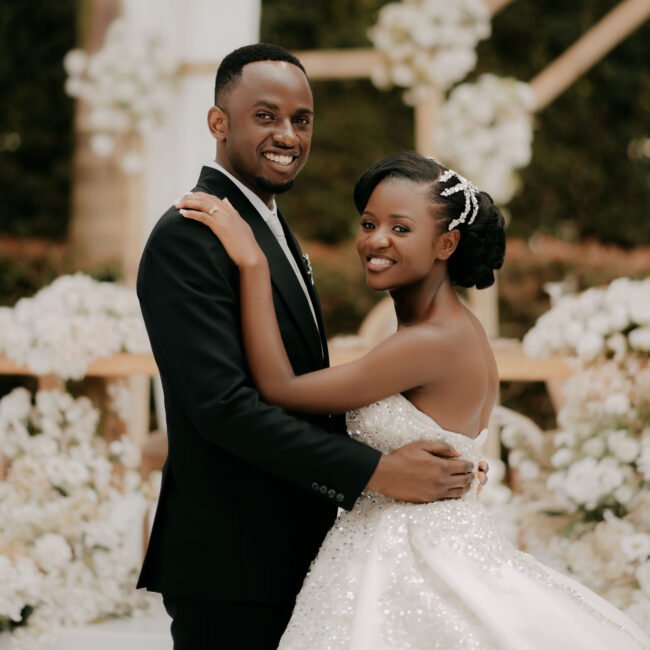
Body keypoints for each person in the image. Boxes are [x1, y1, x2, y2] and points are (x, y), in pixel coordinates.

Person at [177, 151, 650, 649]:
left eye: (400, 228)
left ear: (446, 243)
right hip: (424, 541)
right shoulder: (456, 329)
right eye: (369, 224)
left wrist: (252, 263)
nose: (376, 240)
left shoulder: (429, 341)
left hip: (410, 560)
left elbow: (281, 390)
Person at [137, 44, 485, 650]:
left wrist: (436, 456)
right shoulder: (191, 238)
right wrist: (380, 471)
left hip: (297, 552)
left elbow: (303, 395)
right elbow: (225, 408)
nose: (288, 135)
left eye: (302, 119)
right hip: (233, 560)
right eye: (265, 116)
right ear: (218, 122)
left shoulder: (267, 227)